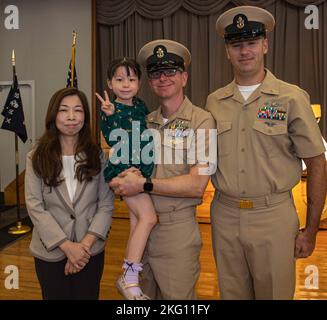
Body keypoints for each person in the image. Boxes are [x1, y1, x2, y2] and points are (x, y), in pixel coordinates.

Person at [205, 6, 327, 300]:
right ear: (227, 52)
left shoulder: (291, 97)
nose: (244, 51)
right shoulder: (214, 102)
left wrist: (311, 230)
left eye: (251, 43)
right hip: (225, 215)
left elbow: (317, 163)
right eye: (236, 45)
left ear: (265, 45)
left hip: (273, 217)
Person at [109, 39, 217, 299]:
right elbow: (122, 162)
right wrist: (119, 178)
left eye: (170, 71)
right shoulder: (144, 121)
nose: (163, 78)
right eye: (156, 73)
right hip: (140, 230)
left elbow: (196, 186)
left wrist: (143, 185)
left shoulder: (202, 121)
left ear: (184, 77)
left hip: (176, 234)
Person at [25, 87, 114, 300]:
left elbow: (106, 204)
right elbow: (35, 205)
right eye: (64, 110)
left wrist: (83, 247)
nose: (72, 117)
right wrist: (67, 246)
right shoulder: (35, 157)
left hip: (89, 252)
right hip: (51, 252)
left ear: (86, 116)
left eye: (78, 110)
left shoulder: (98, 156)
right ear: (54, 115)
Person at [95, 58, 157, 300]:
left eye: (131, 79)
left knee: (136, 222)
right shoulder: (112, 109)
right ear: (110, 83)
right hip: (124, 172)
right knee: (149, 218)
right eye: (119, 79)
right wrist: (110, 115)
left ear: (139, 83)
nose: (126, 84)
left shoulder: (142, 107)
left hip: (139, 172)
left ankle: (131, 275)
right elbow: (112, 137)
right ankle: (129, 277)